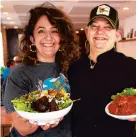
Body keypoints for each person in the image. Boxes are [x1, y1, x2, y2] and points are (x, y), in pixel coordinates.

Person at [67, 4, 136, 137]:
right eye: (94, 26)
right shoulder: (74, 67)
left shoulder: (129, 66)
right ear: (87, 32)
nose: (99, 31)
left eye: (107, 27)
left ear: (117, 35)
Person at [4, 2, 80, 137]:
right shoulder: (19, 74)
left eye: (54, 31)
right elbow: (22, 127)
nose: (48, 37)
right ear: (32, 39)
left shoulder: (70, 67)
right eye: (41, 31)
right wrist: (43, 119)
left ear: (61, 37)